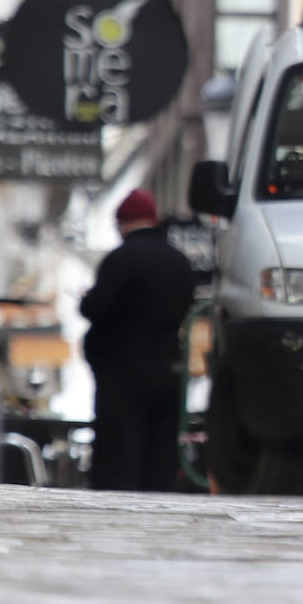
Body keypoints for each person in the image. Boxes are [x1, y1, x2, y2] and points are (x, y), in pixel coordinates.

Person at [80, 188, 196, 491]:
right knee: (159, 446)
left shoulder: (121, 259)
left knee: (119, 446)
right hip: (166, 365)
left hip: (123, 368)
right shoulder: (178, 261)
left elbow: (96, 307)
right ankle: (157, 497)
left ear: (123, 223)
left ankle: (118, 503)